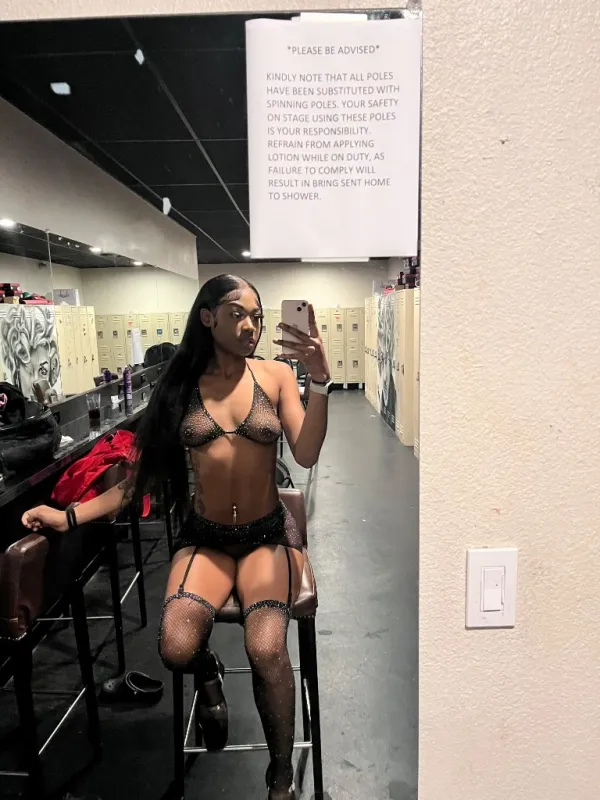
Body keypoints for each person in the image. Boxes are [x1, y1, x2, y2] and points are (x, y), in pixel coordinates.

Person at [22, 275, 332, 800]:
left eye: (257, 316)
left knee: (266, 647)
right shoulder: (181, 385)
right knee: (176, 645)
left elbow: (305, 453)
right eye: (237, 313)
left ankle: (281, 780)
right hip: (205, 538)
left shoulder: (277, 375)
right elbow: (140, 479)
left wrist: (319, 382)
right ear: (207, 317)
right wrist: (68, 518)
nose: (251, 326)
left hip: (264, 536)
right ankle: (208, 673)